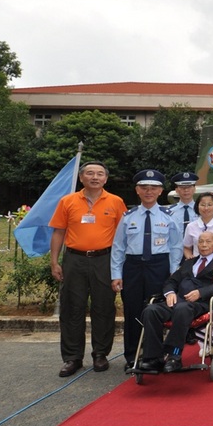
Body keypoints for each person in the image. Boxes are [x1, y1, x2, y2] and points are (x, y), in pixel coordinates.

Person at [50, 161, 127, 377]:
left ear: (106, 178)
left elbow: (123, 237)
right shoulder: (68, 201)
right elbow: (58, 233)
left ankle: (100, 354)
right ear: (81, 177)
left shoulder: (116, 202)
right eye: (90, 173)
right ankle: (72, 358)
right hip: (75, 260)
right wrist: (54, 261)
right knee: (72, 308)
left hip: (105, 260)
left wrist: (120, 266)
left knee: (104, 307)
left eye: (100, 174)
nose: (95, 177)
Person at [111, 169, 183, 371]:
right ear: (137, 190)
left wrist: (173, 273)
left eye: (153, 188)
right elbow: (118, 247)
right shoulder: (128, 217)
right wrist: (116, 274)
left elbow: (176, 246)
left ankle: (155, 356)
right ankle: (132, 357)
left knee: (156, 311)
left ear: (161, 191)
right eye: (144, 187)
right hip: (133, 268)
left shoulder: (169, 217)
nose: (149, 191)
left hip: (159, 267)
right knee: (133, 312)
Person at [136, 231, 213, 373]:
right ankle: (153, 358)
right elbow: (171, 281)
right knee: (151, 310)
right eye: (201, 241)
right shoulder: (189, 263)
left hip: (202, 304)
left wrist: (201, 293)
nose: (204, 245)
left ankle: (173, 355)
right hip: (178, 301)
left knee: (182, 309)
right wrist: (170, 293)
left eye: (208, 241)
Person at [168, 171, 198, 239]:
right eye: (182, 187)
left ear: (194, 189)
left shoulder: (201, 210)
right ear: (176, 190)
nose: (186, 190)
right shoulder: (169, 212)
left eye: (189, 187)